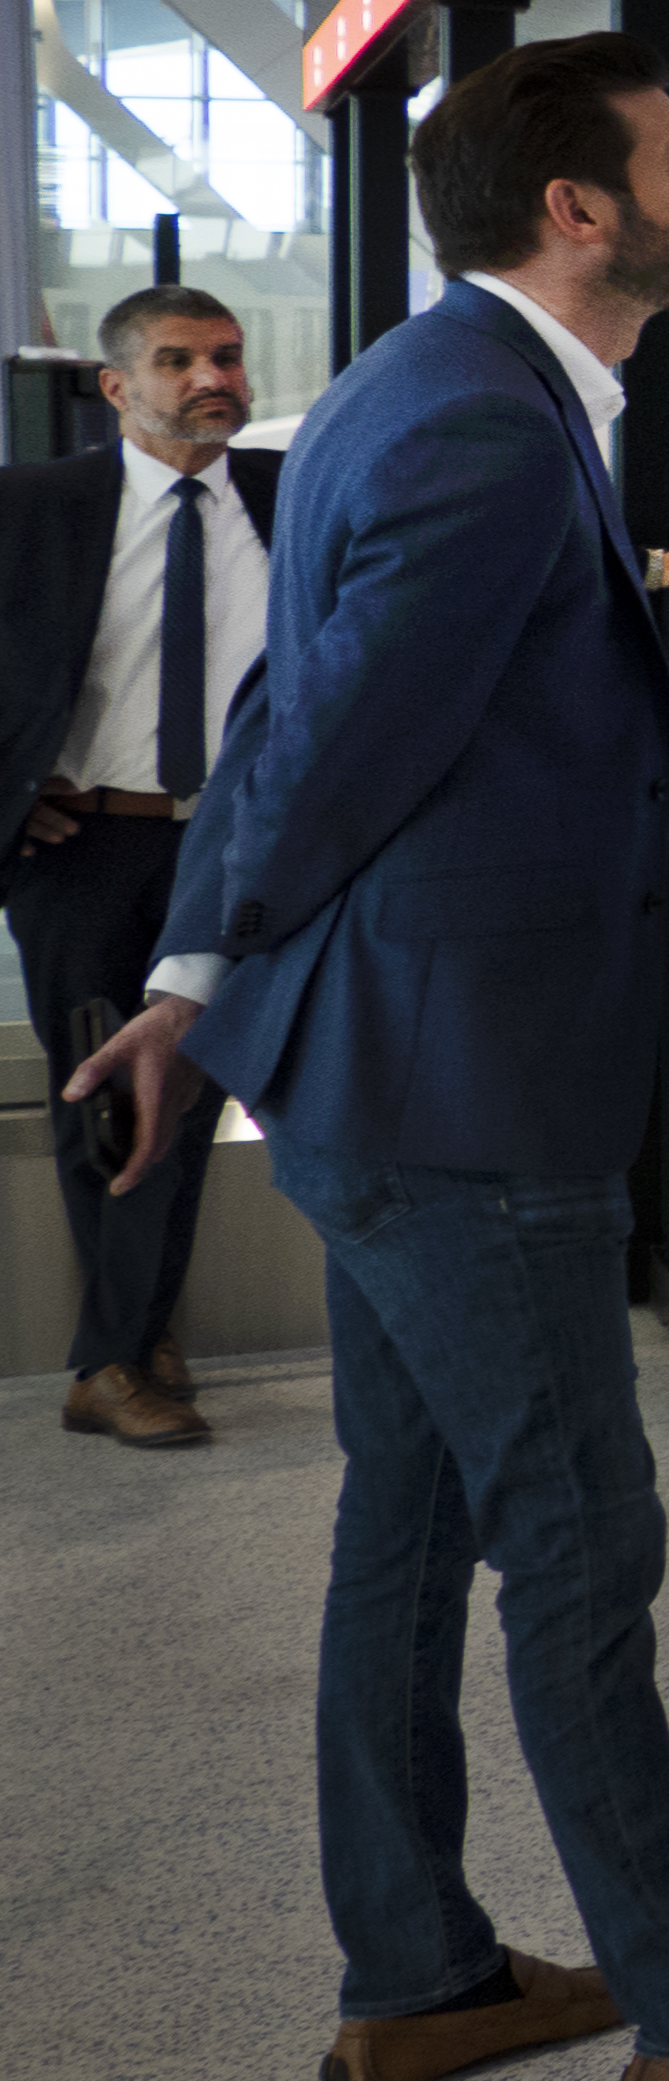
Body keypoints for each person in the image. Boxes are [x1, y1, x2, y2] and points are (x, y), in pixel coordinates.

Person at [63, 34, 669, 2081]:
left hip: (382, 1078)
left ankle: (421, 1972)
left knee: (408, 1521)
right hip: (460, 1095)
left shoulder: (441, 387)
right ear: (580, 210)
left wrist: (207, 966)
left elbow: (291, 697)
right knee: (580, 1540)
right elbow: (325, 738)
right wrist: (193, 972)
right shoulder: (488, 425)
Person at [5, 285, 278, 1446]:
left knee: (194, 1089)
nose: (211, 378)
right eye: (177, 360)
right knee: (101, 1100)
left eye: (225, 356)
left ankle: (129, 1340)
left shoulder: (291, 497)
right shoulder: (36, 505)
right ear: (116, 386)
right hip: (87, 845)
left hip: (236, 839)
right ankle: (118, 1354)